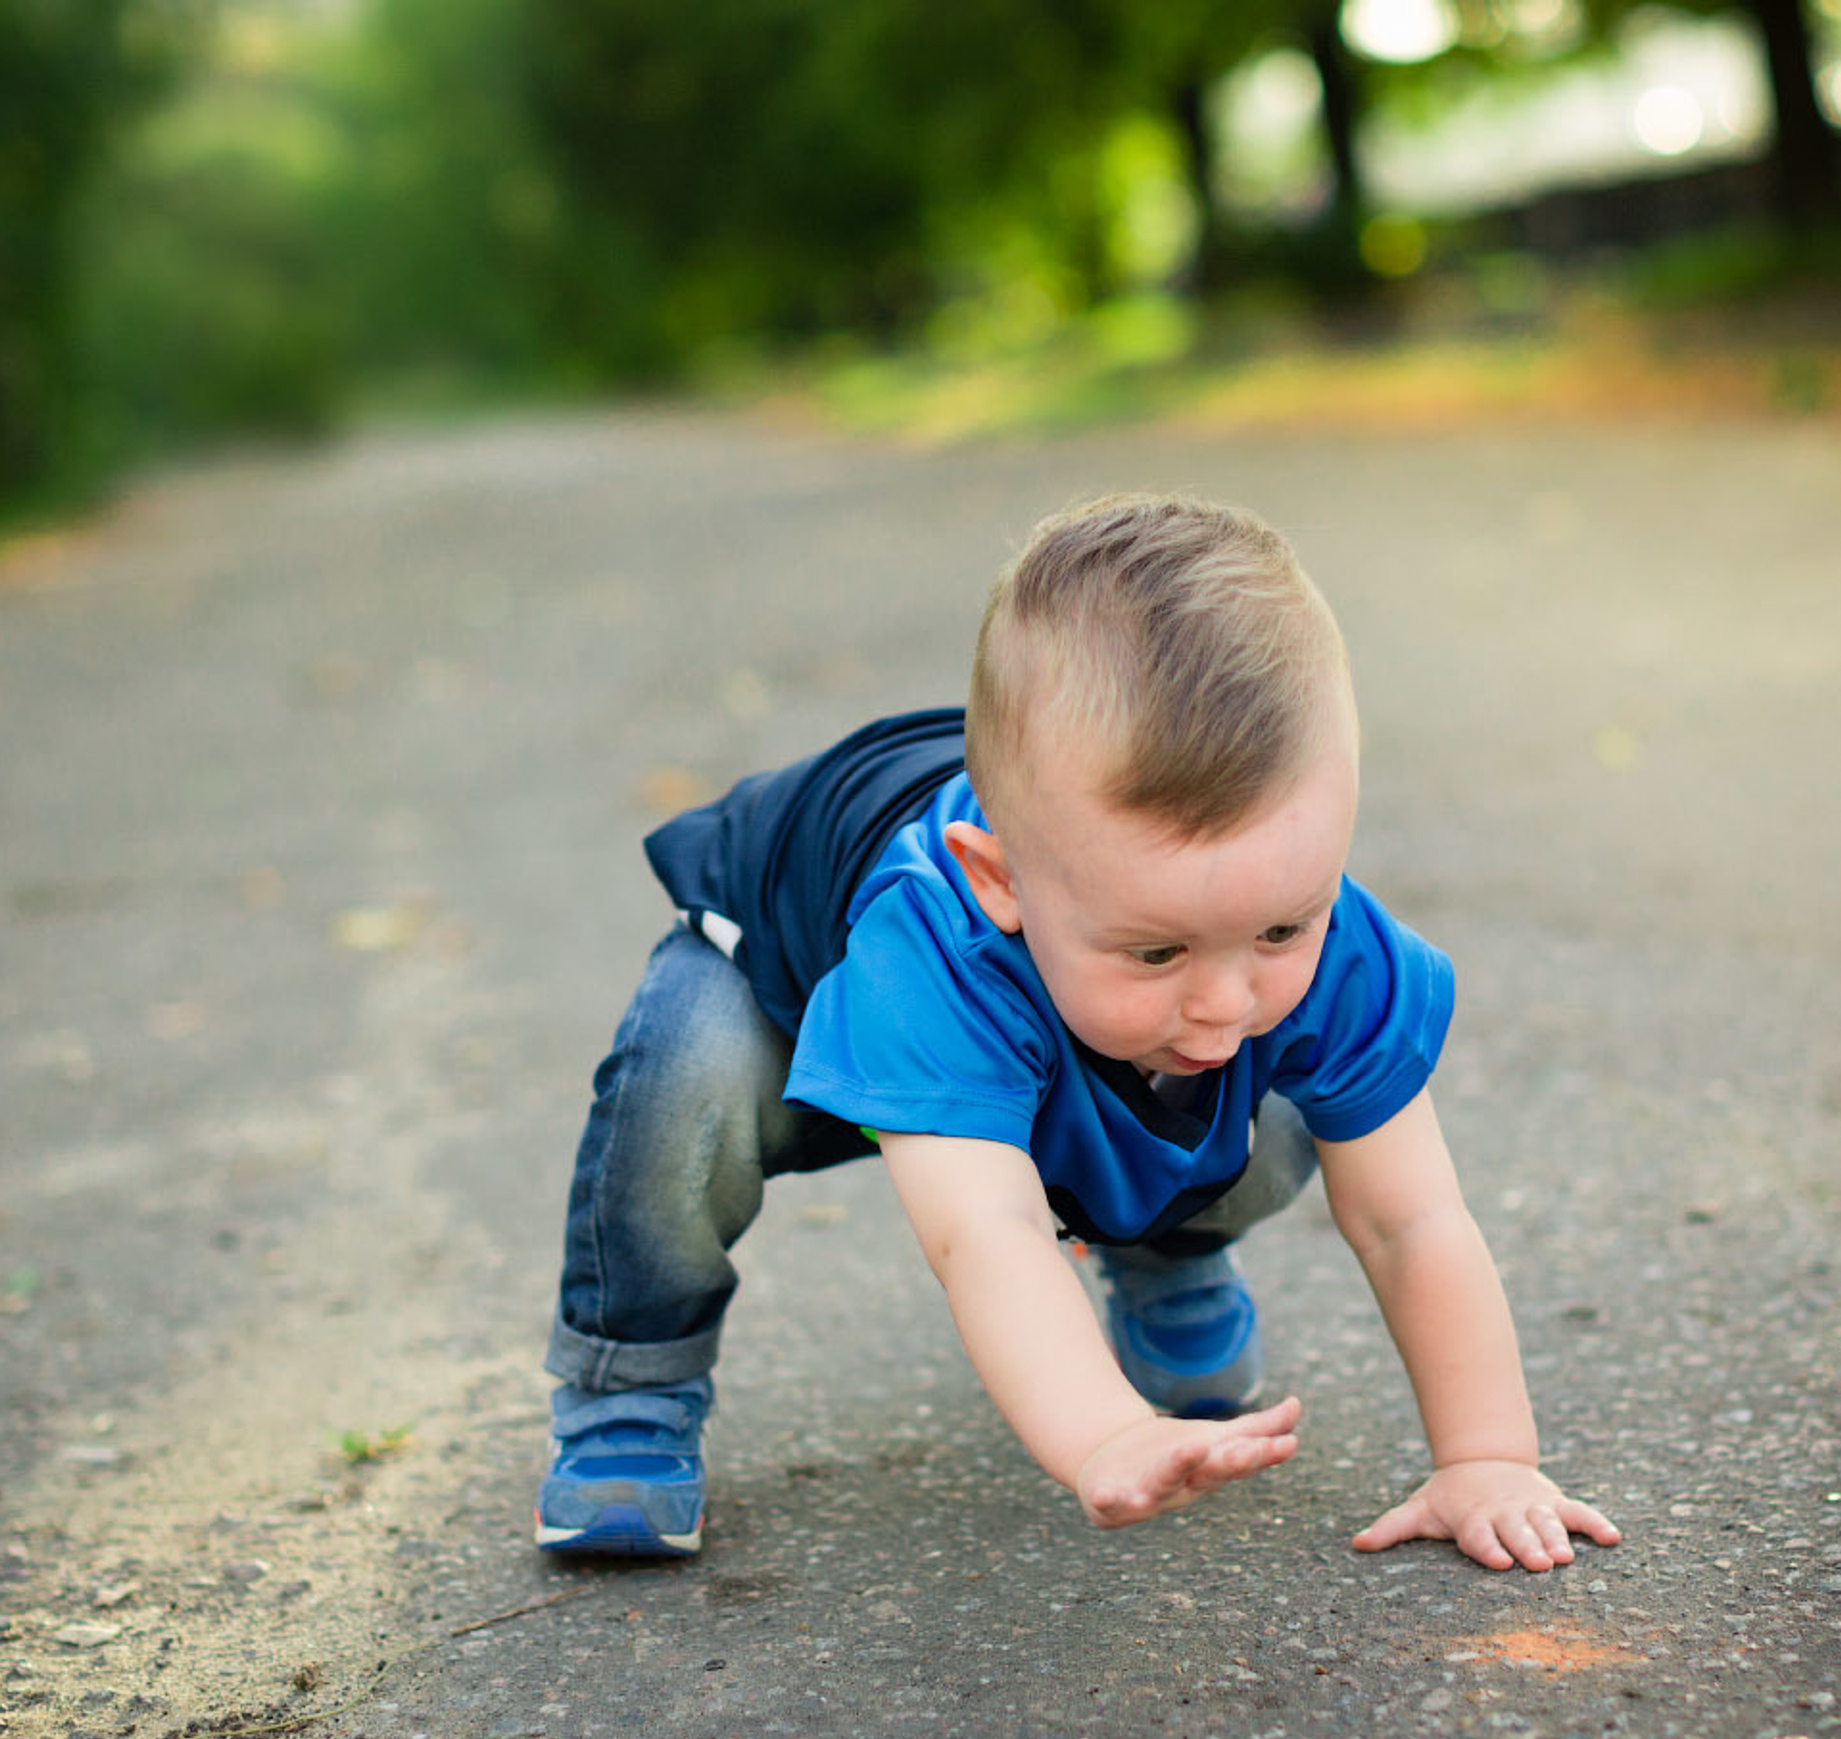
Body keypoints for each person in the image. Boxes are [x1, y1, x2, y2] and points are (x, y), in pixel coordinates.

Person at [535, 493, 1621, 1572]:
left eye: (1281, 928)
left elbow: (1410, 1216)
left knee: (1284, 1096)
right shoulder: (936, 948)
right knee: (682, 1082)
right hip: (783, 977)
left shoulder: (1318, 944)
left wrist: (1487, 1457)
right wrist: (1106, 1433)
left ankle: (1168, 1253)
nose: (1225, 999)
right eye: (1158, 951)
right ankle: (631, 1389)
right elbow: (987, 1230)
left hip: (1055, 1014)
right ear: (1000, 881)